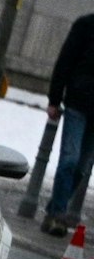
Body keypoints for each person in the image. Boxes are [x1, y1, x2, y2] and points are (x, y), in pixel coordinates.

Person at [43, 13, 94, 237]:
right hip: (78, 102)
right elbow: (66, 61)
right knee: (70, 160)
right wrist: (55, 98)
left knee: (81, 168)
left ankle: (54, 210)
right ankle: (58, 215)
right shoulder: (85, 25)